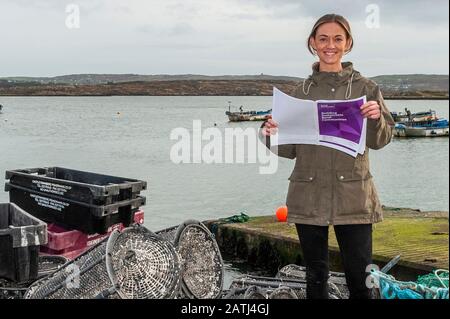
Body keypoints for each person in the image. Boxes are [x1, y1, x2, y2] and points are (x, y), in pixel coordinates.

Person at [261, 14, 395, 299]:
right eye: (323, 39)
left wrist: (375, 118)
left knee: (362, 279)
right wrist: (268, 133)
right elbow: (289, 149)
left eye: (337, 39)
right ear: (312, 43)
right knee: (315, 276)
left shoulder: (366, 89)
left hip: (354, 194)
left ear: (348, 44)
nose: (330, 45)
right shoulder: (300, 92)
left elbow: (381, 140)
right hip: (308, 193)